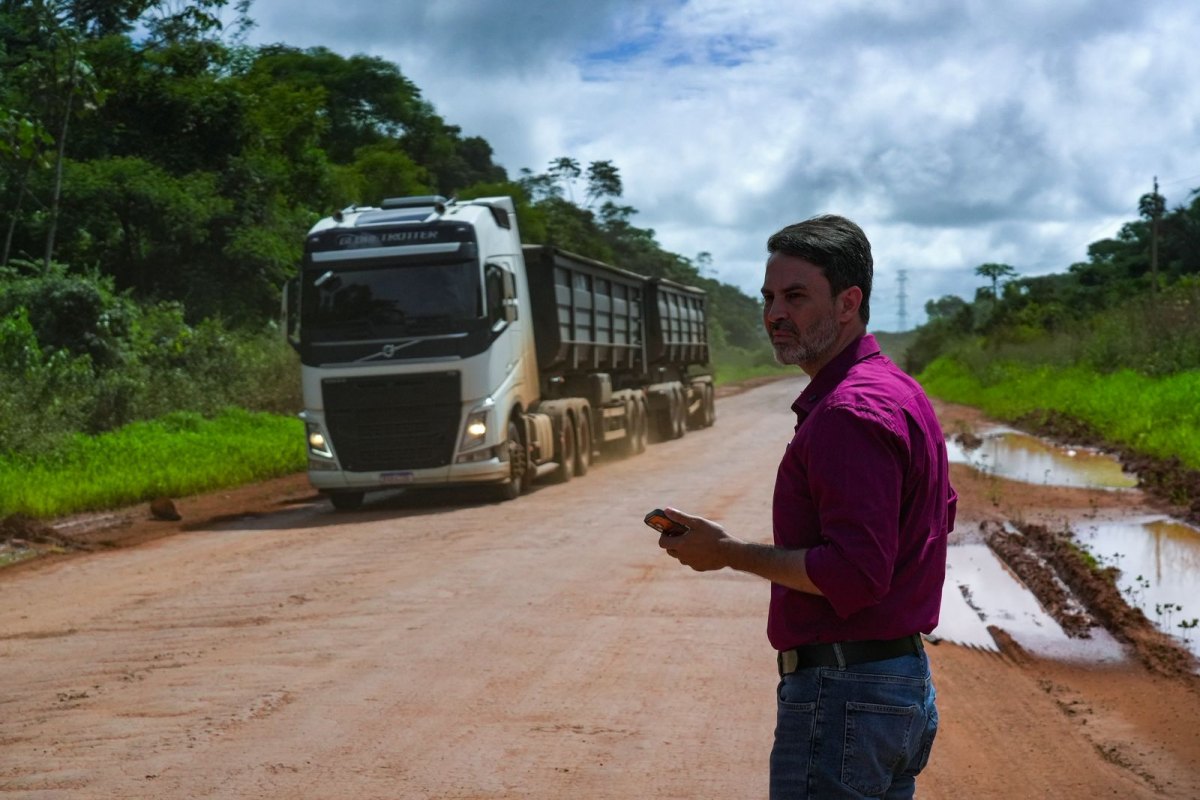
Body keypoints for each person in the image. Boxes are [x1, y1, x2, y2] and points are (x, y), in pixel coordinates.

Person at [657, 214, 956, 799]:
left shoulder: (849, 413)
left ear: (848, 302)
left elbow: (854, 573)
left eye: (795, 297)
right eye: (768, 298)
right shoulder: (898, 391)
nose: (774, 314)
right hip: (895, 687)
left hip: (845, 692)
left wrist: (726, 552)